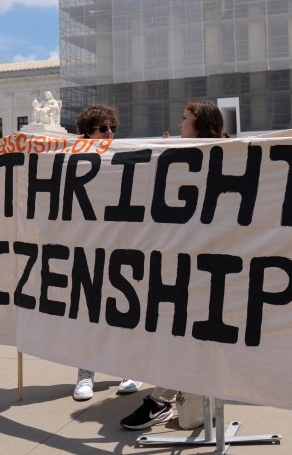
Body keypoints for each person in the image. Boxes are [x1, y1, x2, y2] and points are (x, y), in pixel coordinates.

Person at [120, 99, 225, 430]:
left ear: (200, 123)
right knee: (180, 337)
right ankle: (167, 399)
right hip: (181, 266)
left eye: (184, 119)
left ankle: (161, 400)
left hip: (205, 268)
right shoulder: (182, 158)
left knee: (186, 337)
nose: (179, 125)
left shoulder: (223, 157)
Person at [72, 103, 142, 401]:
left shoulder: (123, 156)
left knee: (127, 308)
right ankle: (86, 374)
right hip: (87, 246)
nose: (110, 133)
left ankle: (131, 368)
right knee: (89, 313)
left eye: (112, 128)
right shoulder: (70, 160)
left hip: (122, 246)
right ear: (87, 132)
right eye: (103, 129)